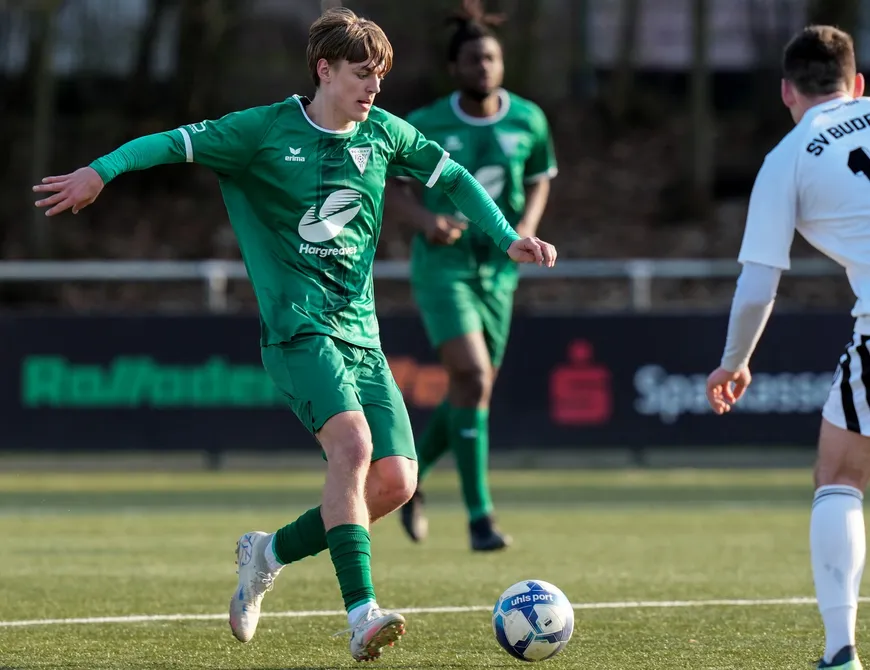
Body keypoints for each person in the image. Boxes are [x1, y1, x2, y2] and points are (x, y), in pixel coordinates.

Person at [31, 7, 557, 663]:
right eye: (362, 75)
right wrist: (100, 171)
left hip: (360, 338)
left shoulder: (385, 135)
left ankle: (267, 552)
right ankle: (361, 613)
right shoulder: (261, 131)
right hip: (297, 331)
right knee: (355, 446)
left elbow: (452, 178)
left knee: (395, 481)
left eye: (381, 77)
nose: (374, 89)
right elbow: (170, 143)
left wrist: (509, 239)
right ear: (324, 70)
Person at [705, 25, 868, 670]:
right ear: (858, 86)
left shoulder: (789, 155)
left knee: (839, 477)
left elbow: (757, 286)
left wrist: (736, 359)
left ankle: (841, 651)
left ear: (786, 93)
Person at [385, 0, 557, 552]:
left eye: (492, 57)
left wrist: (522, 232)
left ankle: (412, 483)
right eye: (474, 58)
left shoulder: (529, 119)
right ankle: (480, 519)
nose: (484, 66)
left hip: (498, 273)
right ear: (455, 68)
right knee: (474, 378)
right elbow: (390, 186)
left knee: (469, 389)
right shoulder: (428, 123)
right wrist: (424, 220)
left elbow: (538, 179)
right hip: (444, 269)